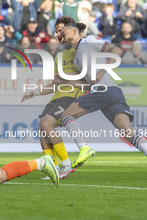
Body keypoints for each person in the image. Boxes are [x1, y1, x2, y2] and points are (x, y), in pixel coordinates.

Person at [59, 23, 147, 165]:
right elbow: (87, 85)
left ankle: (84, 148)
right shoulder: (77, 59)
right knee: (127, 133)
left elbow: (117, 51)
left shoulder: (89, 40)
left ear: (75, 31)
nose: (62, 38)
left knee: (66, 115)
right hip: (111, 92)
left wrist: (101, 72)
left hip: (105, 89)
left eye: (63, 34)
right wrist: (65, 81)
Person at [22, 17, 91, 179]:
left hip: (72, 95)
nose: (58, 34)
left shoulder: (81, 49)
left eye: (61, 30)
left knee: (47, 124)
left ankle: (66, 165)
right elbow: (54, 84)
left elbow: (88, 77)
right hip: (57, 96)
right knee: (42, 127)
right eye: (57, 31)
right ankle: (52, 165)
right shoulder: (59, 56)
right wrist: (35, 92)